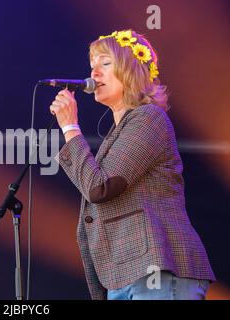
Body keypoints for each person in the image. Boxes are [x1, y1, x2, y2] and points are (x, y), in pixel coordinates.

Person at [49, 30, 215, 300]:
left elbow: (99, 187)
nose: (94, 73)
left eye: (104, 63)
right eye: (92, 66)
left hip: (159, 270)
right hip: (127, 275)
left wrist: (70, 126)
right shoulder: (119, 133)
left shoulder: (150, 118)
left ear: (131, 68)